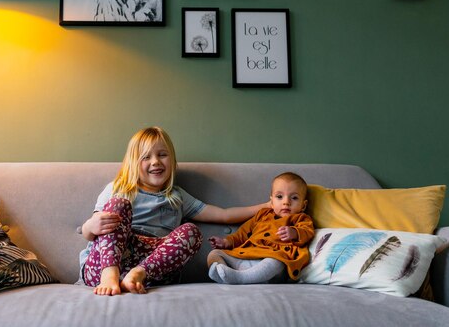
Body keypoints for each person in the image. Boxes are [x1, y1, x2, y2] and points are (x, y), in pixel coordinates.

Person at [80, 126, 269, 296]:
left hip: (152, 270)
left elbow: (224, 215)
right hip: (105, 264)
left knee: (191, 231)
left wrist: (266, 206)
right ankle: (110, 275)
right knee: (118, 205)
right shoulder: (118, 188)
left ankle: (137, 274)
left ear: (172, 160)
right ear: (133, 163)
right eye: (146, 157)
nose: (155, 162)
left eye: (162, 154)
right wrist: (90, 225)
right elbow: (92, 233)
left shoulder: (177, 197)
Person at [207, 172, 314, 284]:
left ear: (303, 205)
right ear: (272, 202)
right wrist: (226, 242)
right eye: (279, 197)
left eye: (294, 198)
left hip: (274, 260)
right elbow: (242, 234)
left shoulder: (301, 218)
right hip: (247, 256)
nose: (286, 202)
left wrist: (295, 232)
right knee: (215, 254)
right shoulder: (262, 215)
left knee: (275, 261)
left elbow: (308, 232)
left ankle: (241, 278)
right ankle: (226, 275)